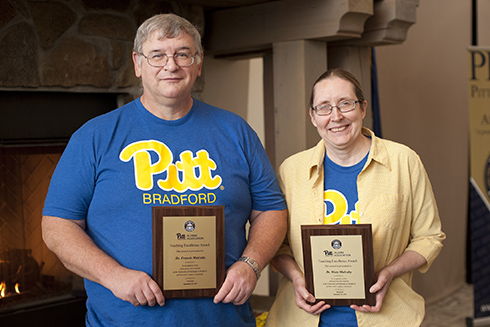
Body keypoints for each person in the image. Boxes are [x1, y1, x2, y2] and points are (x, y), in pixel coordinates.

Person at [42, 13, 287, 327]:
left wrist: (250, 265)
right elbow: (57, 225)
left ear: (198, 64)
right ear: (138, 63)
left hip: (222, 320)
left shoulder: (236, 131)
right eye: (157, 55)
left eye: (182, 54)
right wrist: (113, 276)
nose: (170, 65)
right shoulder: (94, 136)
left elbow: (271, 209)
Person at [264, 69, 445, 327]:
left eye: (345, 104)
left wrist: (389, 272)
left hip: (386, 317)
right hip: (303, 319)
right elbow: (277, 245)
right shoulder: (292, 171)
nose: (336, 116)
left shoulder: (405, 161)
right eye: (324, 107)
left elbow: (430, 237)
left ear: (362, 109)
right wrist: (295, 276)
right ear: (313, 117)